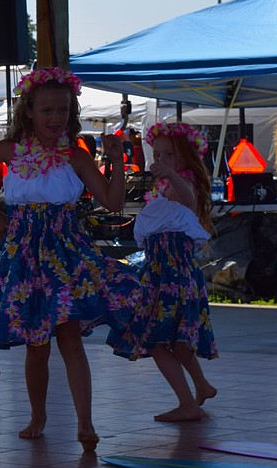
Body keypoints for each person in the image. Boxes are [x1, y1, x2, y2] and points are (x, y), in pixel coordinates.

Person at [0, 67, 140, 452]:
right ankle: (38, 415)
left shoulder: (76, 155)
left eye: (64, 111)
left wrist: (117, 160)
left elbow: (114, 202)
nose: (57, 119)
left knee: (70, 335)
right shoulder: (10, 149)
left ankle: (85, 423)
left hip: (65, 249)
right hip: (22, 252)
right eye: (48, 111)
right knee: (37, 343)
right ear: (30, 113)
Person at [107, 121, 218, 422]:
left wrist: (170, 174)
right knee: (178, 342)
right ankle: (202, 386)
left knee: (156, 340)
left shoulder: (185, 183)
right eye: (157, 155)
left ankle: (187, 403)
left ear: (185, 158)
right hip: (161, 272)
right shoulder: (162, 189)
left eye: (169, 155)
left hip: (172, 274)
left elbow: (189, 199)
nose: (161, 161)